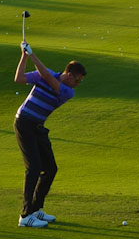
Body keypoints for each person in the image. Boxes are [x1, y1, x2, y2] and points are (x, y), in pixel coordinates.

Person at [12, 42, 86, 228]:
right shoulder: (45, 75)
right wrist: (25, 56)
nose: (78, 84)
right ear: (69, 74)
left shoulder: (68, 91)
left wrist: (32, 54)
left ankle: (36, 209)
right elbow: (19, 78)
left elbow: (46, 76)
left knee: (50, 168)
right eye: (77, 80)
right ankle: (25, 216)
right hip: (23, 122)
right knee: (34, 168)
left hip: (37, 126)